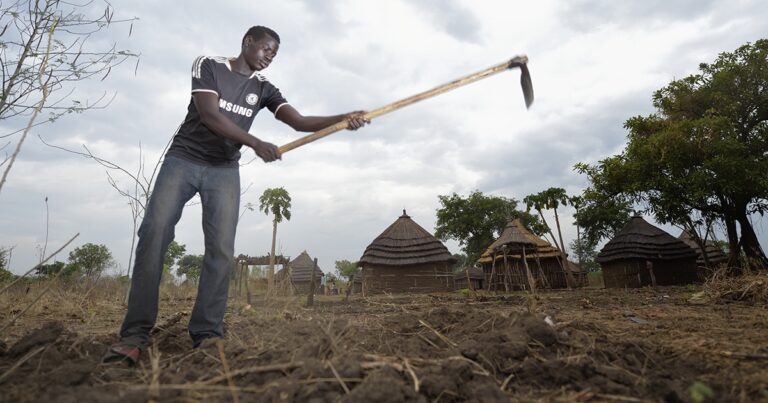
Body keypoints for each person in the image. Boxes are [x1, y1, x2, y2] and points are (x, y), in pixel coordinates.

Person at [103, 26, 369, 364]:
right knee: (154, 236)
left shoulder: (264, 88)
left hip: (224, 171)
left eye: (274, 54)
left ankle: (207, 335)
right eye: (266, 49)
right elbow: (209, 115)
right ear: (248, 43)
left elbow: (299, 122)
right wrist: (255, 142)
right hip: (183, 160)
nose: (269, 57)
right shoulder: (209, 65)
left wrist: (343, 119)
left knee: (221, 252)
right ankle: (134, 335)